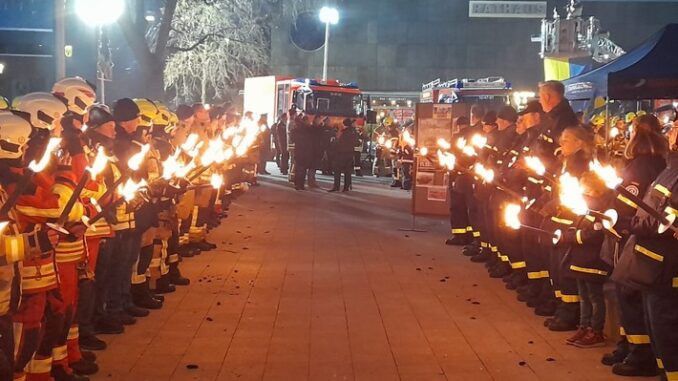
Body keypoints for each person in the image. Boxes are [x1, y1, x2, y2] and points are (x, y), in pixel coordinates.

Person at [601, 114, 668, 376]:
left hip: (633, 239)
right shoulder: (661, 164)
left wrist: (614, 216)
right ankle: (629, 345)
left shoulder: (638, 168)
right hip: (642, 240)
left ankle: (638, 352)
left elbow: (629, 203)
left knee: (628, 294)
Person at [330, 119, 359, 192]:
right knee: (347, 171)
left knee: (337, 171)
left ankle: (336, 187)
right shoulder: (354, 132)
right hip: (349, 153)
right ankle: (346, 187)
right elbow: (356, 142)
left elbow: (337, 142)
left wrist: (333, 143)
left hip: (341, 153)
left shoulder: (342, 132)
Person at [291, 115, 313, 191]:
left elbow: (292, 139)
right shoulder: (308, 129)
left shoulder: (296, 129)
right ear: (306, 121)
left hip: (298, 150)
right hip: (305, 151)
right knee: (303, 169)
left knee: (298, 168)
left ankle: (297, 184)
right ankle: (301, 184)